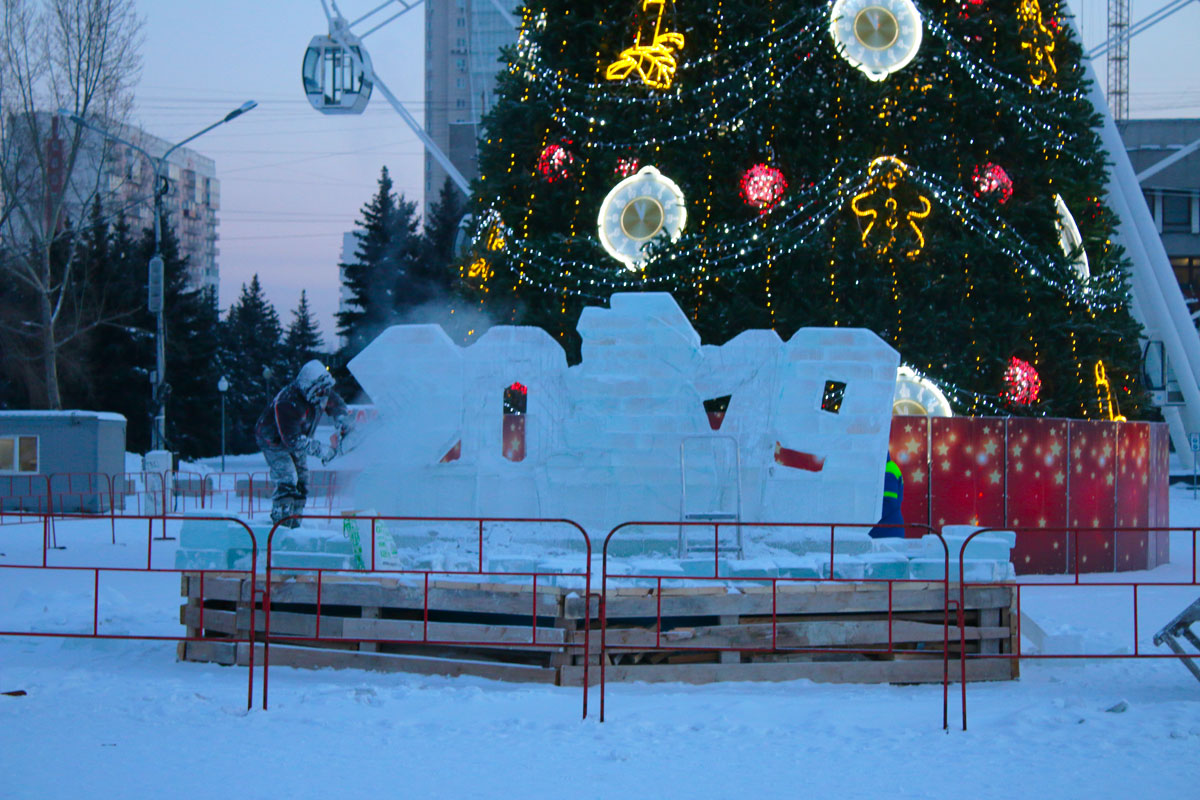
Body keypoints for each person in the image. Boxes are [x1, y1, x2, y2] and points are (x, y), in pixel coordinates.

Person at [255, 360, 352, 528]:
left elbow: (337, 406)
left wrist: (342, 420)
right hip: (274, 441)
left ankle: (296, 520)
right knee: (287, 477)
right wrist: (323, 451)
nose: (323, 395)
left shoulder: (323, 393)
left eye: (325, 390)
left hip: (299, 438)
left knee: (302, 479)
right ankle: (282, 520)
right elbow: (292, 440)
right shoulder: (288, 402)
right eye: (319, 391)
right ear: (308, 387)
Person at [868, 452, 904, 538]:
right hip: (886, 528)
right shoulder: (882, 467)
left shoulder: (887, 469)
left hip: (886, 531)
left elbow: (888, 503)